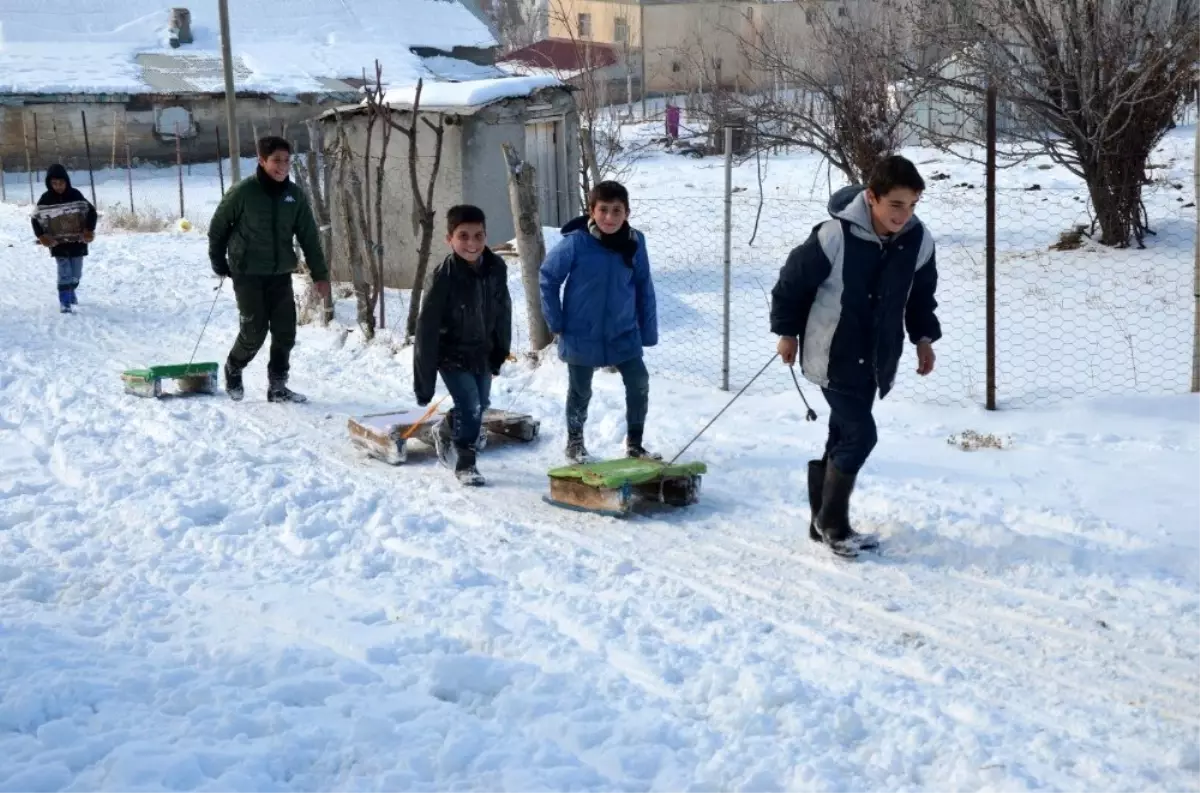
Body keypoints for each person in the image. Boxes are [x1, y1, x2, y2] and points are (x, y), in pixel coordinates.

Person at [770, 155, 941, 558]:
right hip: (832, 354)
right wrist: (786, 332)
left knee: (844, 434)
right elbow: (791, 285)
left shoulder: (919, 241)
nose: (904, 214)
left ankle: (820, 521)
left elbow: (920, 297)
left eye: (912, 204)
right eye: (895, 204)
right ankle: (833, 522)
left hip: (878, 356)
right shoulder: (834, 236)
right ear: (872, 197)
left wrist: (923, 339)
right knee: (862, 434)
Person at [539, 180, 659, 464]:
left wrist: (648, 330)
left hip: (623, 330)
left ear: (627, 213)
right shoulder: (576, 243)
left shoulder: (635, 242)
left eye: (617, 211)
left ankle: (635, 443)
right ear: (591, 211)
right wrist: (556, 321)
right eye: (603, 210)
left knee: (639, 380)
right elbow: (548, 278)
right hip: (581, 332)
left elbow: (644, 285)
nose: (609, 217)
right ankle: (575, 442)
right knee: (580, 390)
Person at [208, 136, 329, 403]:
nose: (282, 166)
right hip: (247, 272)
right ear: (262, 161)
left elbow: (309, 236)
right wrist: (219, 261)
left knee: (285, 332)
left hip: (279, 274)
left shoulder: (293, 196)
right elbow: (218, 227)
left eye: (287, 160)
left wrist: (320, 274)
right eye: (276, 160)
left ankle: (278, 386)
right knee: (254, 331)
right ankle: (234, 367)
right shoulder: (243, 192)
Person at [414, 205, 512, 486]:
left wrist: (500, 350)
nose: (472, 243)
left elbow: (503, 310)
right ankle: (466, 462)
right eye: (463, 236)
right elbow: (427, 327)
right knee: (470, 406)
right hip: (451, 354)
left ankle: (446, 428)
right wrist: (424, 381)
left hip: (481, 351)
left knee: (480, 406)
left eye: (478, 236)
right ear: (450, 239)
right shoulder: (444, 276)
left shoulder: (496, 268)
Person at [31, 164, 98, 314]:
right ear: (49, 183)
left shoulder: (76, 195)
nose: (58, 186)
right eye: (54, 183)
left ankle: (71, 289)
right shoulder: (45, 199)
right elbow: (35, 219)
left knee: (76, 274)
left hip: (77, 242)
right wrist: (41, 236)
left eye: (61, 183)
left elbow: (91, 212)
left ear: (66, 181)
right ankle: (65, 301)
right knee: (64, 271)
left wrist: (88, 230)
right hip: (57, 243)